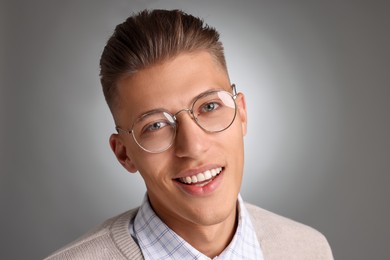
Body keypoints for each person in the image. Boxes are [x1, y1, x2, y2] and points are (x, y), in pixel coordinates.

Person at [45, 9, 333, 259]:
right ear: (124, 153)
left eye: (209, 106)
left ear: (241, 114)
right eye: (155, 125)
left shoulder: (309, 250)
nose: (193, 146)